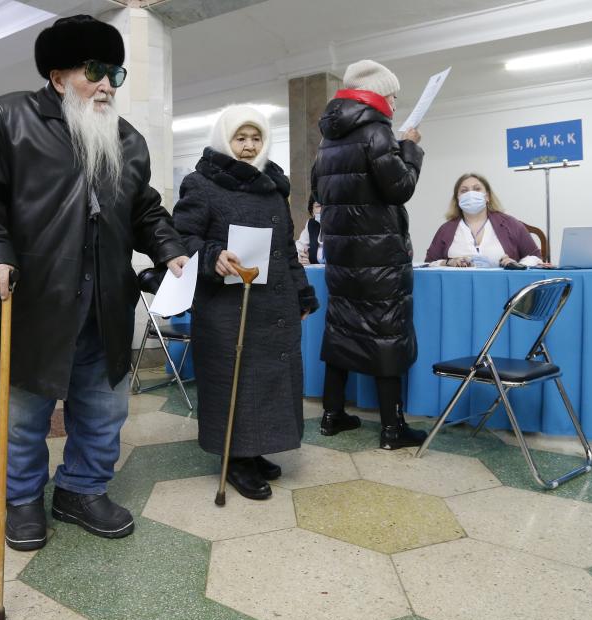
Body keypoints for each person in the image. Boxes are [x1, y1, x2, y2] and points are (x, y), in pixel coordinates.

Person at [0, 15, 188, 551]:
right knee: (20, 416)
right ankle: (23, 499)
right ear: (58, 76)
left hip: (105, 301)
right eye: (96, 72)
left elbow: (145, 208)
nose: (107, 86)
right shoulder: (8, 116)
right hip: (30, 298)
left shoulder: (126, 139)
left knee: (104, 410)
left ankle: (81, 489)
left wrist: (169, 248)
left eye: (115, 75)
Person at [173, 105, 318, 500]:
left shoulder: (273, 186)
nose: (249, 146)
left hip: (273, 303)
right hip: (226, 305)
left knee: (269, 379)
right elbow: (181, 238)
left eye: (255, 138)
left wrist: (303, 292)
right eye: (241, 138)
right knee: (233, 378)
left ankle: (254, 451)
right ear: (225, 139)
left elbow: (287, 249)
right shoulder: (201, 184)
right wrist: (212, 255)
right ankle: (235, 458)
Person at [312, 59, 428, 450]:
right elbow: (399, 188)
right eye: (393, 95)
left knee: (341, 330)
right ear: (379, 95)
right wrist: (410, 148)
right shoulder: (377, 131)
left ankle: (331, 416)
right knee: (386, 334)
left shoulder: (328, 139)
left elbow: (318, 191)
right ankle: (393, 429)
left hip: (342, 258)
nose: (395, 103)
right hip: (379, 258)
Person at [425, 173, 542, 267]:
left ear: (487, 197)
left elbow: (535, 257)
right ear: (458, 199)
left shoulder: (510, 224)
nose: (471, 194)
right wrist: (447, 263)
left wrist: (516, 265)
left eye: (477, 189)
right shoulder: (446, 230)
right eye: (464, 191)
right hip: (457, 290)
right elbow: (428, 264)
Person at [295, 194, 324, 265]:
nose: (323, 210)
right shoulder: (311, 224)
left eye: (326, 206)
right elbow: (300, 246)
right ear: (312, 211)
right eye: (318, 206)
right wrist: (302, 258)